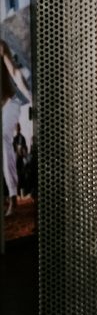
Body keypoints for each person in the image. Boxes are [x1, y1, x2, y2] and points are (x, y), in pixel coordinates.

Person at [1, 41, 31, 217]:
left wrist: (30, 96)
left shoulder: (1, 46)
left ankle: (13, 196)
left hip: (10, 104)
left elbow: (14, 72)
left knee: (3, 137)